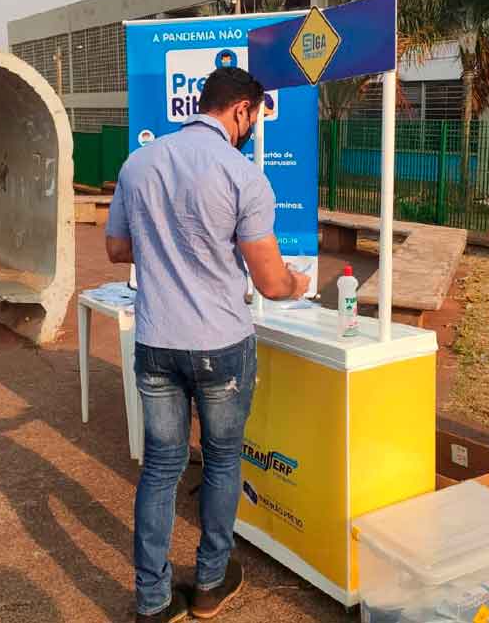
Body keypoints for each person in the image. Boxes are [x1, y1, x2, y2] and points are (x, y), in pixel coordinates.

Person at [105, 66, 310, 623]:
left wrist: (165, 246)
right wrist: (298, 282)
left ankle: (151, 599)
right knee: (222, 461)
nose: (253, 128)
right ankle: (210, 585)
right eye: (255, 117)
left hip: (155, 340)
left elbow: (117, 249)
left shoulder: (138, 162)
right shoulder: (241, 175)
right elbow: (270, 282)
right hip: (220, 344)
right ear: (242, 109)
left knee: (161, 469)